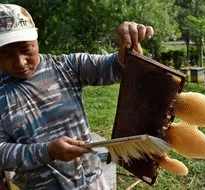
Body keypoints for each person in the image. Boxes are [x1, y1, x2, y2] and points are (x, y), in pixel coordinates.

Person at [0, 3, 153, 190]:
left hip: (92, 181)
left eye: (26, 49)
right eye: (6, 55)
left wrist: (128, 46)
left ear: (36, 37)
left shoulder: (66, 67)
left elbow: (114, 67)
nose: (20, 62)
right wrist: (47, 151)